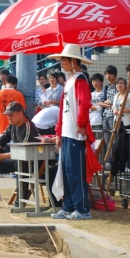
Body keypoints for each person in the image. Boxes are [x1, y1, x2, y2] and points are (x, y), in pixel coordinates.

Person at [47, 44, 95, 220]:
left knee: (75, 171)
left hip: (76, 133)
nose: (61, 64)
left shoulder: (81, 80)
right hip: (67, 132)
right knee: (66, 170)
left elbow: (84, 103)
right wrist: (58, 132)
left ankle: (82, 209)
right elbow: (61, 110)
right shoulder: (69, 81)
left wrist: (81, 123)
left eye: (64, 60)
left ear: (74, 61)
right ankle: (68, 206)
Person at [0, 75, 26, 142]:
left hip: (1, 125)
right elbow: (23, 110)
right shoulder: (19, 94)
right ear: (15, 84)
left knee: (0, 147)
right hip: (15, 126)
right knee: (13, 149)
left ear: (6, 82)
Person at [97, 65, 117, 170]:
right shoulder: (105, 88)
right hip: (105, 116)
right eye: (106, 74)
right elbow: (99, 102)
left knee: (114, 140)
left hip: (114, 116)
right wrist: (109, 104)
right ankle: (108, 161)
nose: (108, 76)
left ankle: (114, 161)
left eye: (110, 74)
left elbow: (116, 101)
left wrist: (109, 103)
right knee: (107, 140)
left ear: (115, 75)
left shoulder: (118, 86)